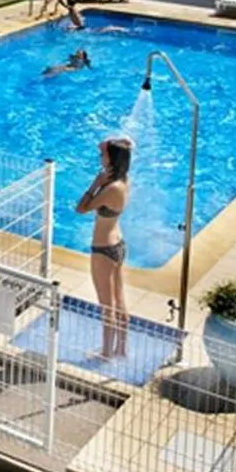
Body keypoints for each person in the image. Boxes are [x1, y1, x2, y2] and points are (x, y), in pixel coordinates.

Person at [75, 136, 132, 361]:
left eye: (103, 155)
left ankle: (106, 353)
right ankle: (121, 349)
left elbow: (81, 208)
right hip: (118, 244)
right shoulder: (125, 181)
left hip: (103, 249)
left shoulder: (110, 189)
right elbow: (124, 144)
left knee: (106, 305)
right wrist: (115, 145)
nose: (100, 157)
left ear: (111, 160)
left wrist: (95, 184)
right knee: (119, 299)